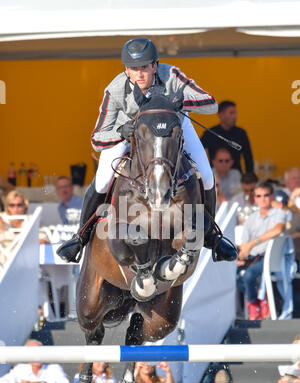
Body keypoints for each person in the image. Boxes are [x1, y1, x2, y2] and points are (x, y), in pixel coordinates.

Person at [56, 37, 237, 265]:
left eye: (145, 67)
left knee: (207, 177)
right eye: (134, 69)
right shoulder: (115, 89)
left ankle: (212, 236)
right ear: (126, 70)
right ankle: (81, 236)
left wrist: (178, 102)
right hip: (131, 132)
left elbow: (211, 103)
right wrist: (122, 132)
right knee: (102, 181)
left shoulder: (172, 74)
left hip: (173, 128)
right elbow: (96, 138)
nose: (140, 73)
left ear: (154, 65)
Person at [237, 181, 287, 320]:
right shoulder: (252, 217)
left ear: (272, 196)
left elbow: (278, 230)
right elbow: (243, 243)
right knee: (233, 275)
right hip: (253, 257)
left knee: (248, 275)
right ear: (254, 198)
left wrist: (253, 243)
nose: (262, 198)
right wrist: (241, 257)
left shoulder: (279, 213)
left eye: (266, 195)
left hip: (270, 257)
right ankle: (259, 301)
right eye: (258, 196)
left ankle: (254, 303)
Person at [0, 340, 70, 383]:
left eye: (39, 352)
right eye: (33, 352)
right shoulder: (20, 369)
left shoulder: (53, 368)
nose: (37, 355)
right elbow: (2, 382)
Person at [201, 100, 254, 174]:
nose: (235, 116)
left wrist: (249, 177)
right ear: (221, 115)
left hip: (236, 177)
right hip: (214, 176)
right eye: (231, 113)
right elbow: (198, 154)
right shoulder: (210, 133)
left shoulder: (241, 133)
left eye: (235, 113)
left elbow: (248, 158)